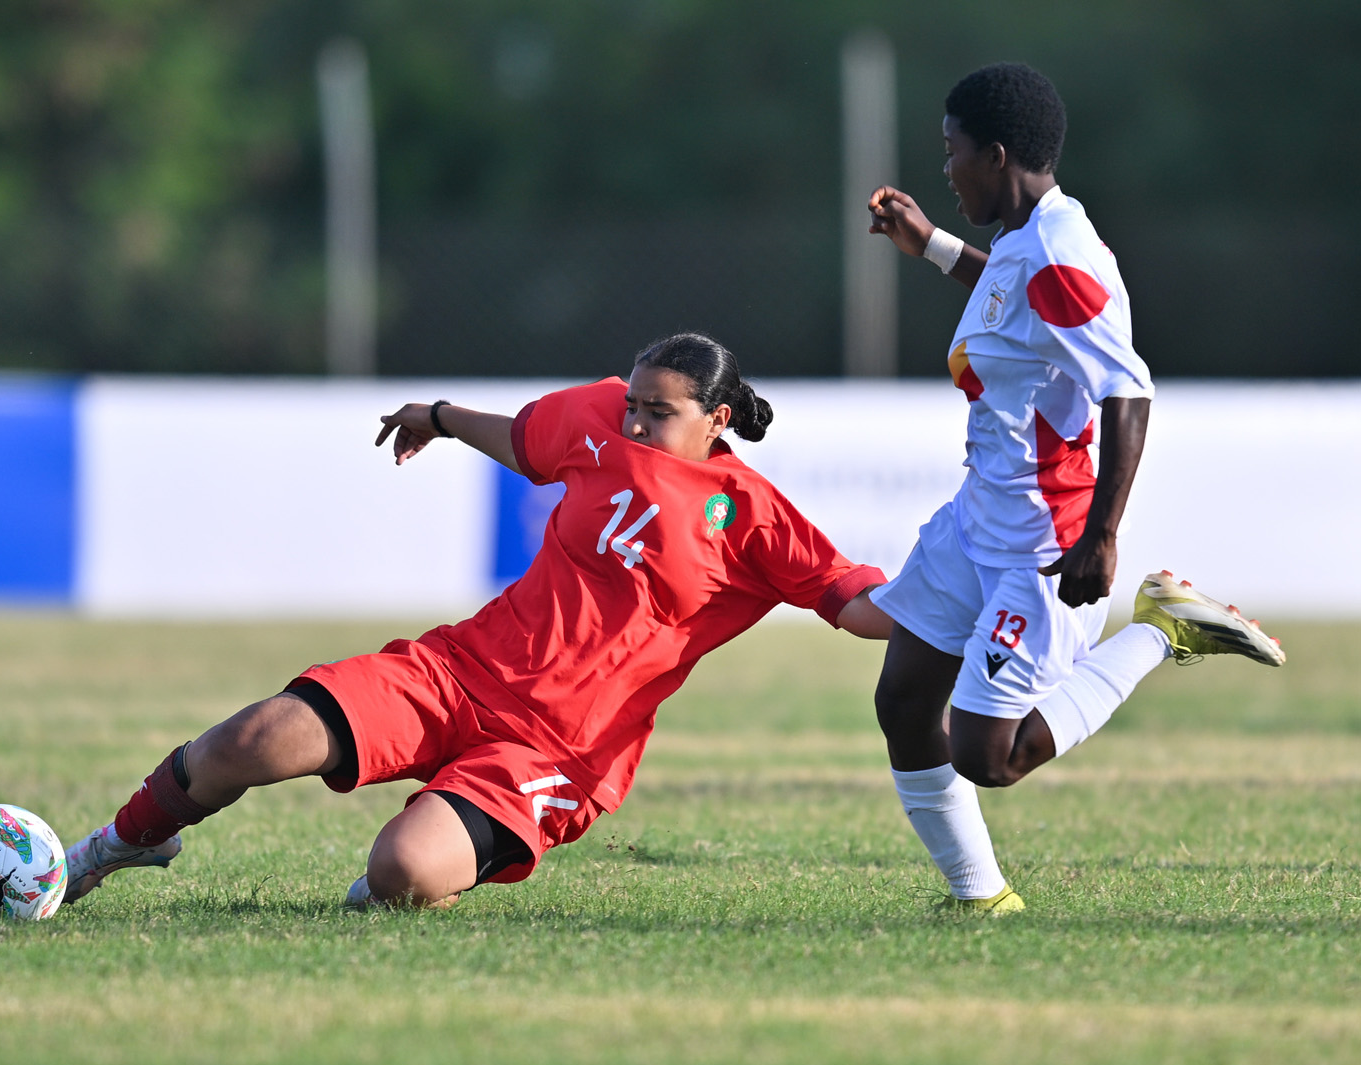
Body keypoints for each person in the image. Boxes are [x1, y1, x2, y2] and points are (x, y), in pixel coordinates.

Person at [62, 332, 893, 909]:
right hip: (457, 669)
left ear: (716, 419)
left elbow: (855, 607)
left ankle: (428, 859)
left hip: (558, 750)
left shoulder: (752, 514)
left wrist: (959, 603)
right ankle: (116, 845)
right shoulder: (599, 415)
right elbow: (527, 441)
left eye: (659, 412)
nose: (635, 421)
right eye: (633, 402)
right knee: (252, 741)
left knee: (402, 872)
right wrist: (442, 417)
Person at [865, 63, 1284, 912]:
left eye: (951, 154)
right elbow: (1012, 300)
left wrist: (1101, 535)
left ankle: (1160, 631)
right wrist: (933, 248)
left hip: (1040, 539)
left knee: (990, 756)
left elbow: (1126, 388)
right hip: (973, 517)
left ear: (996, 152)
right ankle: (978, 899)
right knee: (905, 702)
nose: (944, 172)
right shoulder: (1028, 241)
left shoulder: (1060, 250)